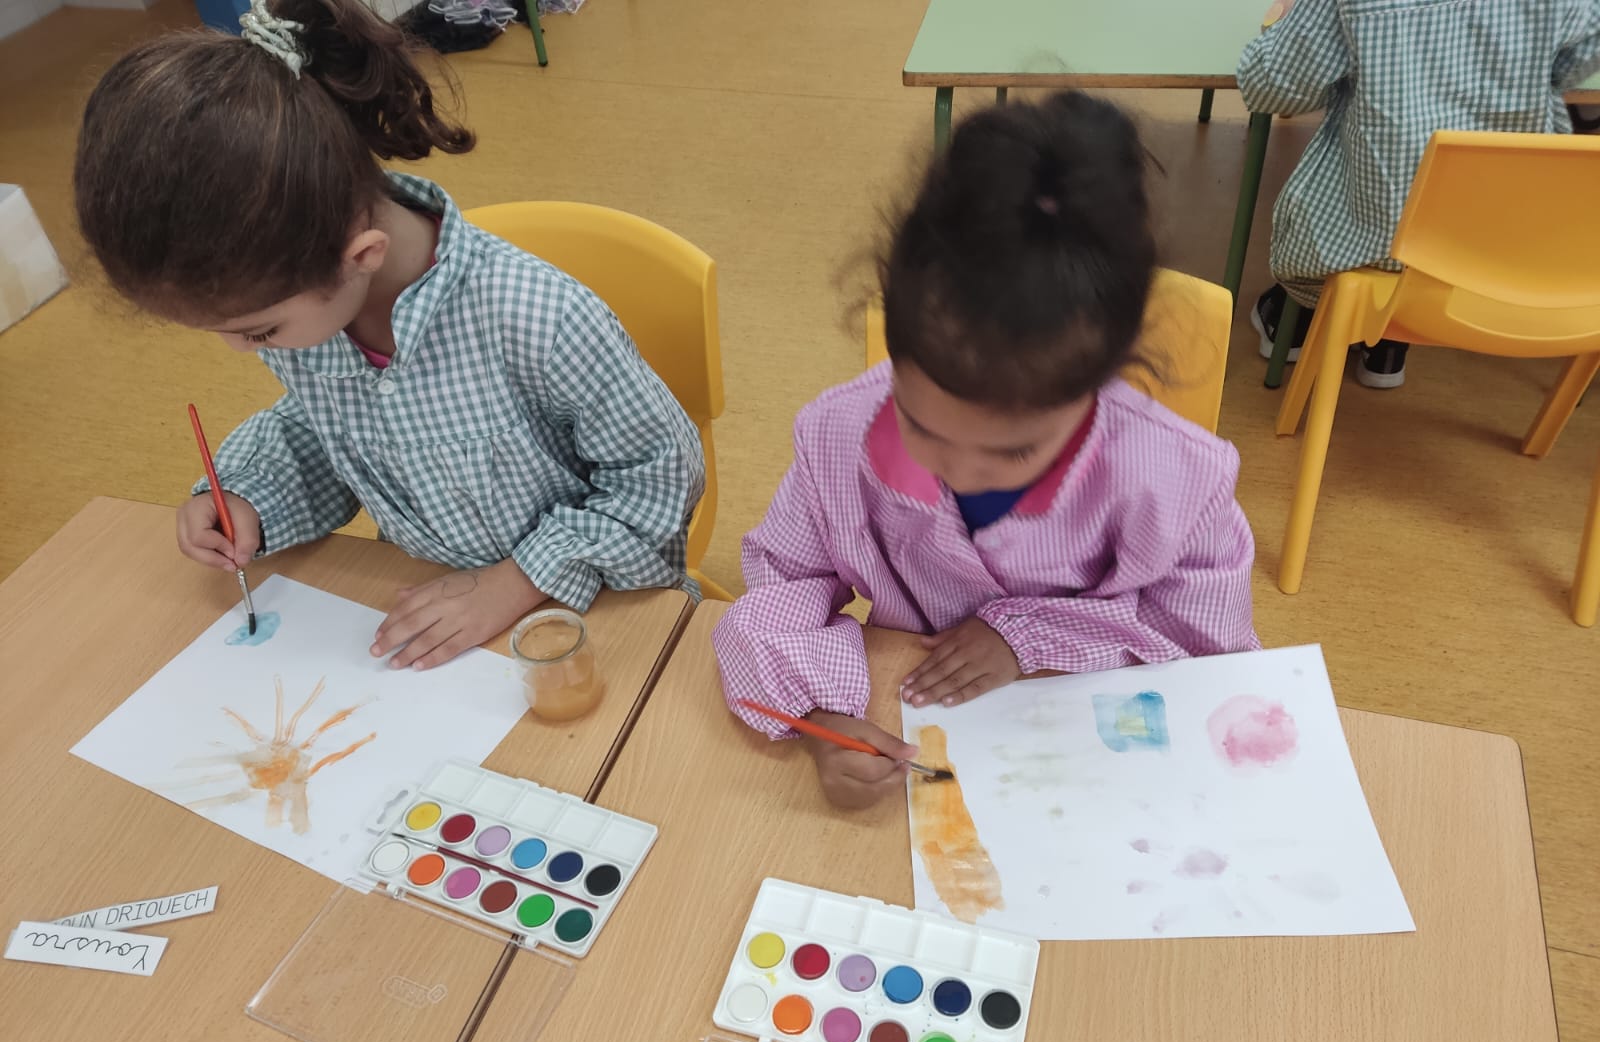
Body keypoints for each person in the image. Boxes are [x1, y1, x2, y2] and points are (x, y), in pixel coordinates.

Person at [73, 0, 705, 670]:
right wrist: (249, 494)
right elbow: (330, 431)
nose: (241, 349)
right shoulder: (312, 309)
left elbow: (659, 479)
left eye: (258, 330)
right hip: (428, 604)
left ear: (362, 256)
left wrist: (517, 581)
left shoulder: (540, 319)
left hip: (594, 614)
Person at [714, 93, 1260, 810]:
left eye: (1012, 453)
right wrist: (820, 718)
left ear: (1098, 384)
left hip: (1094, 776)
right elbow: (781, 586)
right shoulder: (840, 437)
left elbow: (1210, 662)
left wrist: (1028, 637)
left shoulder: (1175, 478)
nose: (961, 472)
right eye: (922, 428)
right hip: (925, 749)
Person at [1240, 0, 1600, 389]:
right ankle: (1388, 346)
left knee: (1346, 202)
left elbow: (1269, 89)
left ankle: (1300, 318)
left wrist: (1295, 23)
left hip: (1375, 242)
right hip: (1500, 255)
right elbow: (1576, 60)